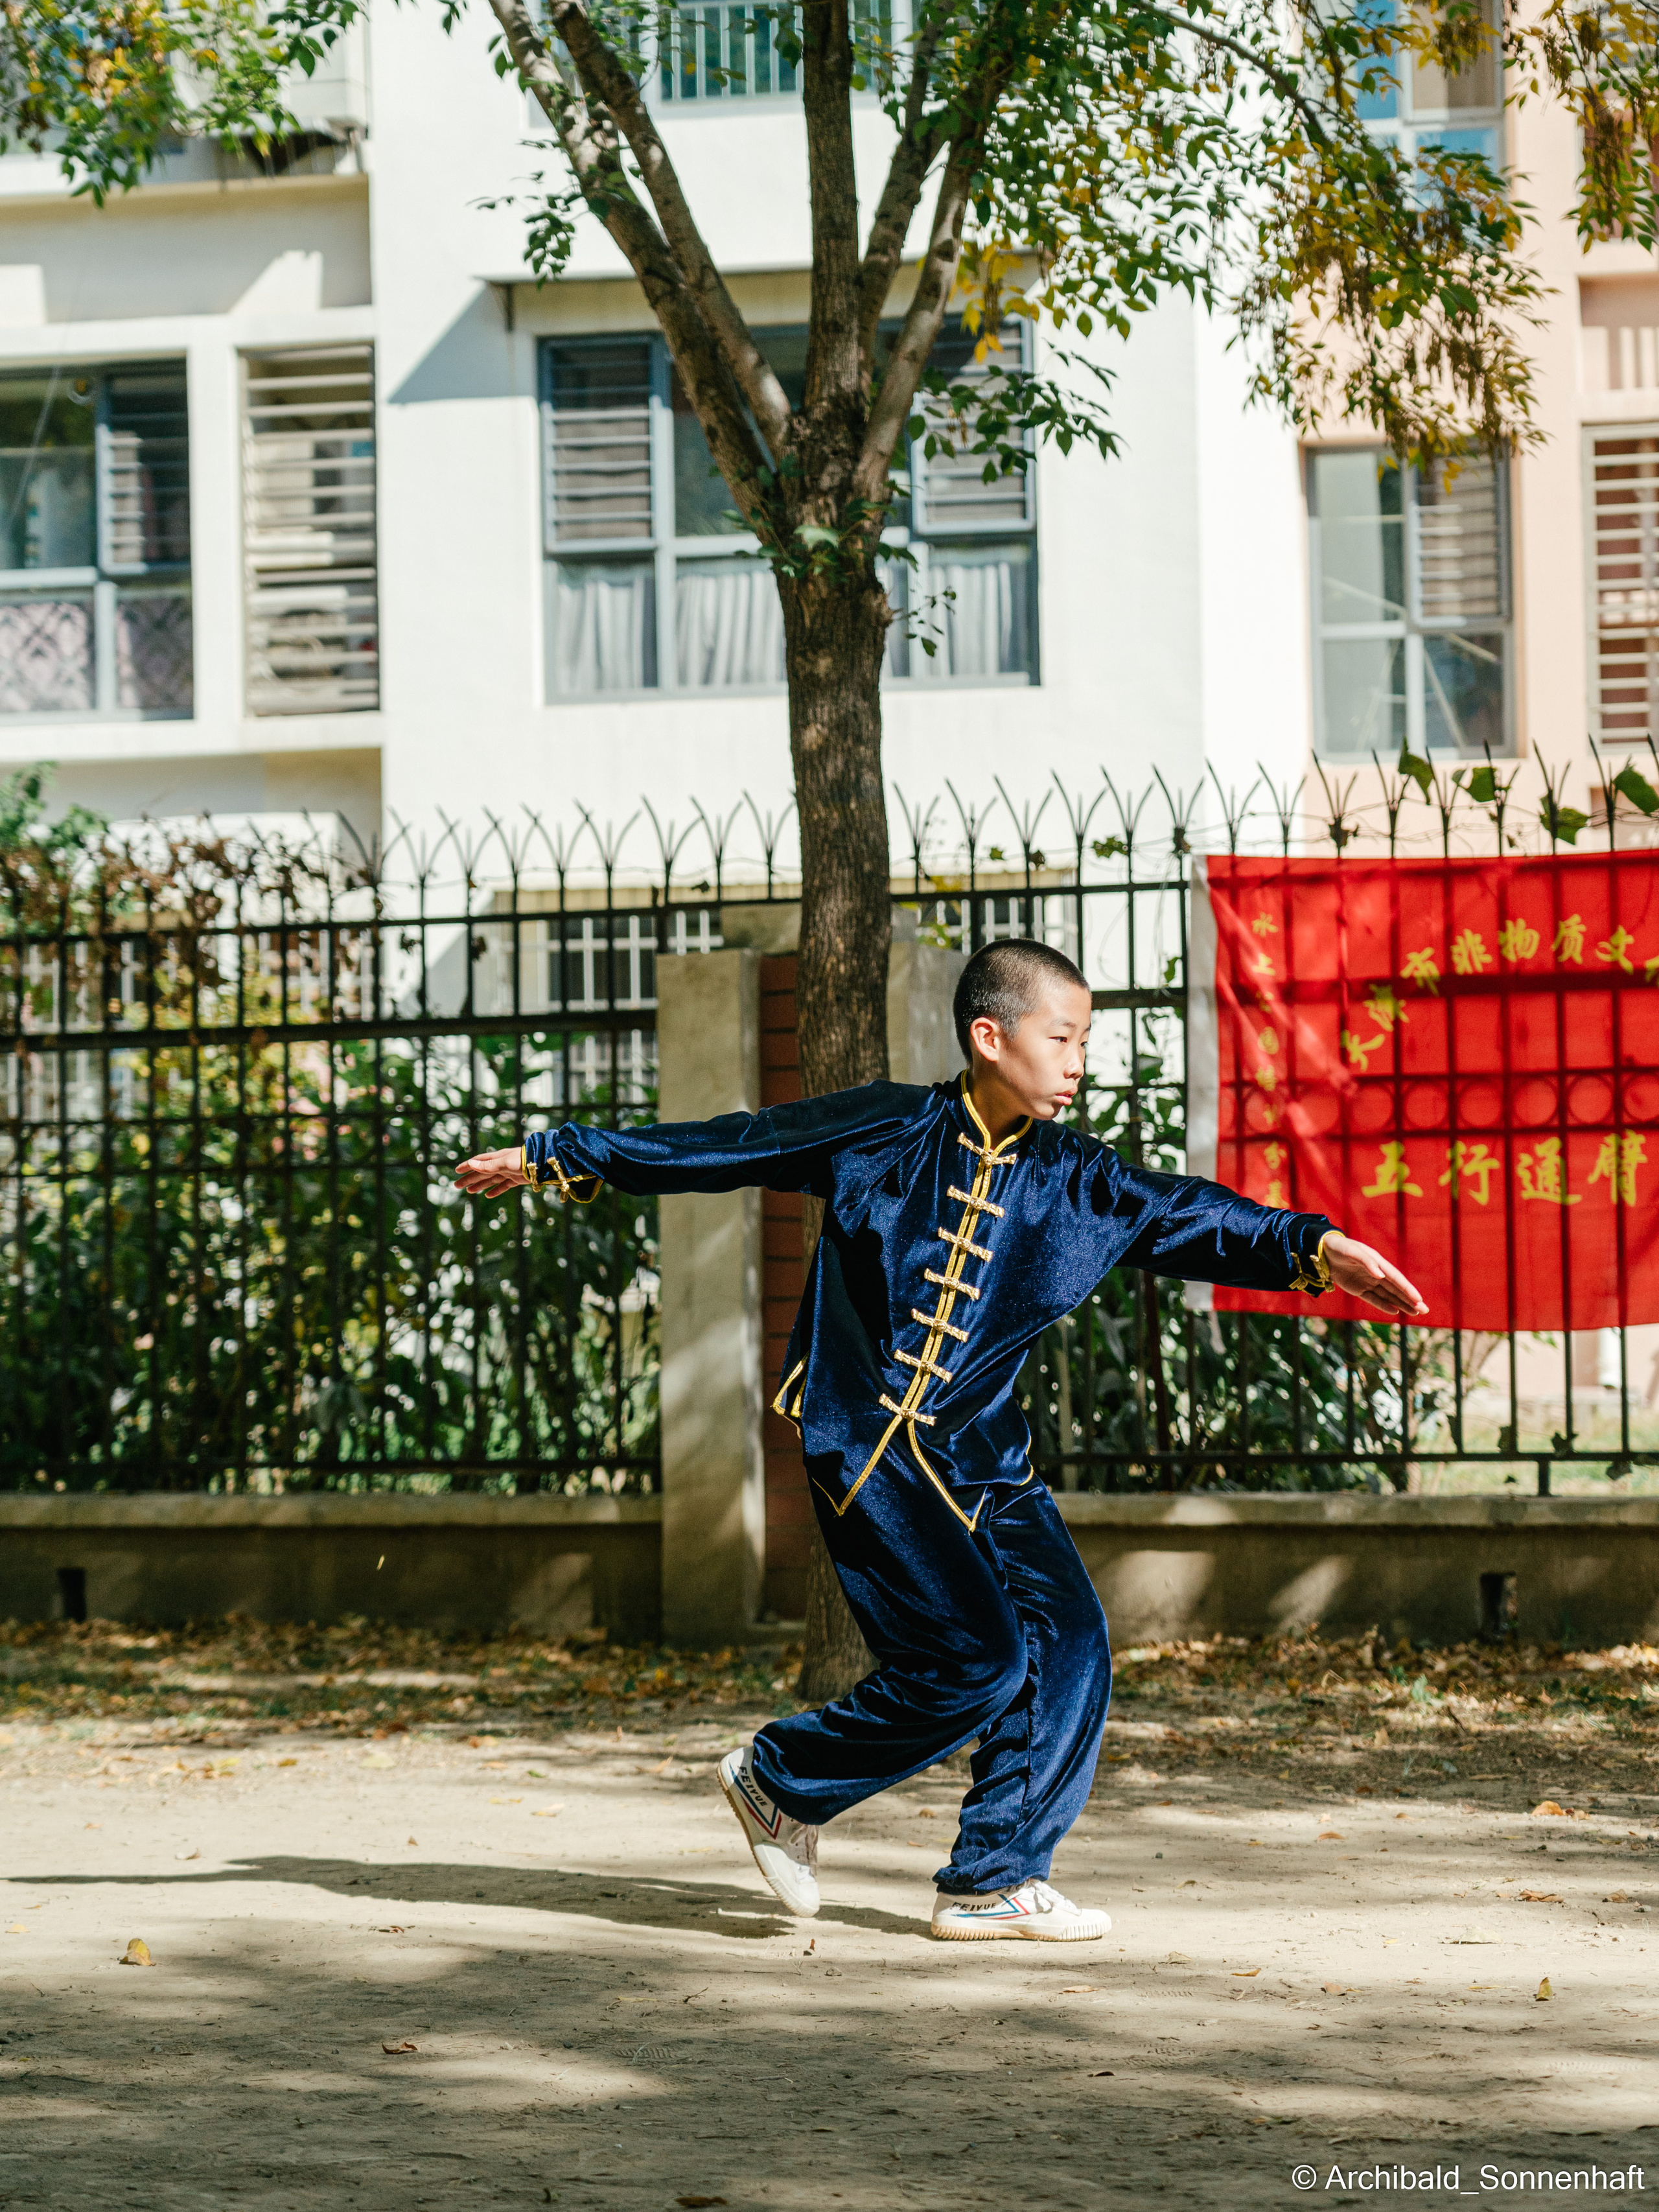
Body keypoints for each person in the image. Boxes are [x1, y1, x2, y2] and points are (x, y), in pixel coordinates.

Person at [454, 938, 1425, 1942]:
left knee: (1074, 1642)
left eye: (1086, 1040)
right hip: (871, 1446)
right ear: (989, 1036)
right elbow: (731, 1143)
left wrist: (1314, 1247)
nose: (1080, 1061)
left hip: (986, 1458)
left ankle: (992, 1876)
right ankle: (779, 1780)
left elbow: (1185, 1214)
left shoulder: (1074, 1176)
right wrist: (559, 1152)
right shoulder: (886, 1127)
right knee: (977, 1660)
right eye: (1063, 1038)